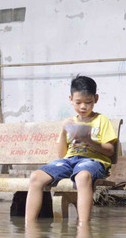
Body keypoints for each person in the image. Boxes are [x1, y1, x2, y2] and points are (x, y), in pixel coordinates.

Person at [25, 75, 118, 227]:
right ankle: (29, 227)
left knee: (82, 177)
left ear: (96, 98)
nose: (83, 106)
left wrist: (89, 140)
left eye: (88, 102)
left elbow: (109, 151)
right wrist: (63, 131)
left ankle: (83, 228)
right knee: (35, 177)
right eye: (78, 102)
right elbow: (61, 155)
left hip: (92, 161)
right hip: (68, 160)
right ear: (70, 99)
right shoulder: (70, 122)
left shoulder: (101, 120)